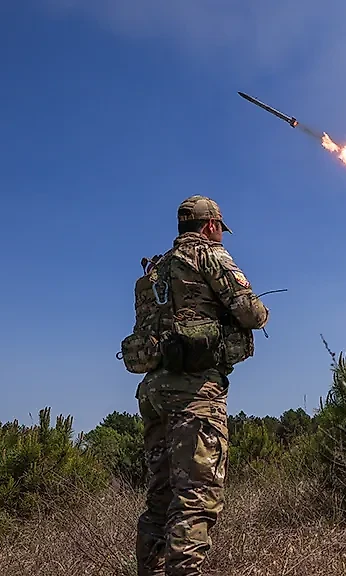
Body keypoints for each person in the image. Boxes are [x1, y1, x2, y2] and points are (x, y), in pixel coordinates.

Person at [133, 195, 269, 575]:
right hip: (194, 393)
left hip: (153, 391)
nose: (221, 235)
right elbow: (251, 313)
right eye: (220, 229)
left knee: (160, 499)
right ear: (211, 226)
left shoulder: (154, 272)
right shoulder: (208, 255)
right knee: (196, 498)